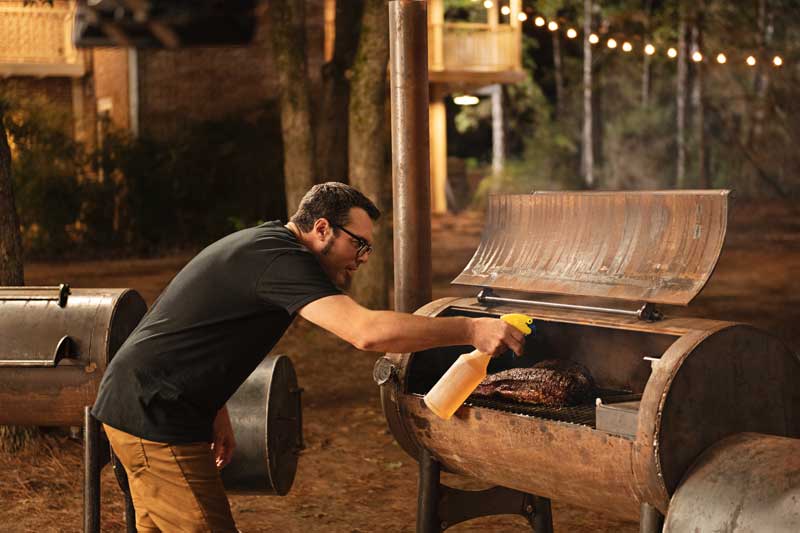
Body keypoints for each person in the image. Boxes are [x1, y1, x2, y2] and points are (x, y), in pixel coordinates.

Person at [92, 182, 525, 533]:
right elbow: (366, 332)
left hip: (144, 403)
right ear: (322, 229)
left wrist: (215, 405)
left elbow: (201, 328)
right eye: (358, 244)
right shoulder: (282, 259)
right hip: (155, 414)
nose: (362, 260)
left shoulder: (264, 248)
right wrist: (471, 329)